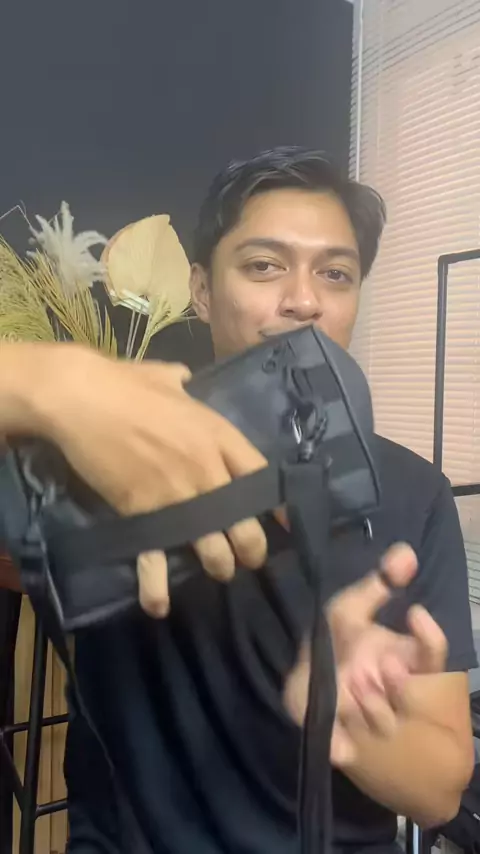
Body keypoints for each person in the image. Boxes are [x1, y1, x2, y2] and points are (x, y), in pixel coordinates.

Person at [0, 147, 476, 854]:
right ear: (200, 290)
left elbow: (440, 788)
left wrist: (344, 711)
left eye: (336, 274)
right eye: (264, 265)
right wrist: (44, 382)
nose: (304, 299)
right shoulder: (106, 454)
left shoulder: (412, 491)